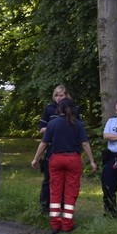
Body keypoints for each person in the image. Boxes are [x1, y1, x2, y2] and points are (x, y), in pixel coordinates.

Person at [31, 98, 97, 234]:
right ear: (73, 109)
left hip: (56, 159)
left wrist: (35, 159)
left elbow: (43, 144)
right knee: (70, 192)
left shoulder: (52, 124)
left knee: (55, 191)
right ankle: (67, 224)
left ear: (59, 109)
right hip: (73, 159)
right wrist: (92, 161)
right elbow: (84, 144)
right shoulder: (78, 124)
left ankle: (55, 224)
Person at [36, 85, 80, 213]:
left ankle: (63, 207)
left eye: (61, 95)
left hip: (70, 148)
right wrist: (54, 127)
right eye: (56, 95)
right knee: (48, 180)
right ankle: (45, 206)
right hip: (52, 148)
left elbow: (78, 127)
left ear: (67, 96)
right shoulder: (49, 109)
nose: (59, 98)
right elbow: (41, 129)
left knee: (68, 182)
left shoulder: (74, 109)